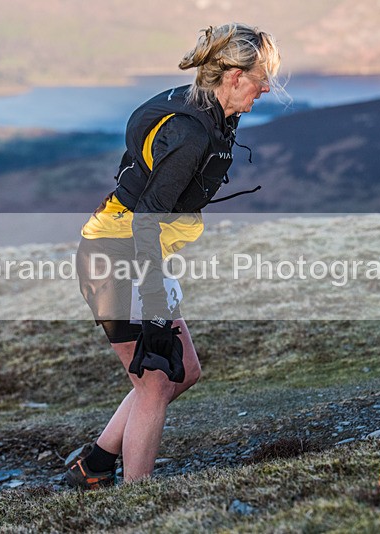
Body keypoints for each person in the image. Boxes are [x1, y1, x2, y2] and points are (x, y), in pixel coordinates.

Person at [65, 22, 283, 489]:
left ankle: (98, 463)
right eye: (261, 76)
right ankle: (136, 497)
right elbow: (147, 218)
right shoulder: (190, 133)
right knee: (156, 380)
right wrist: (158, 309)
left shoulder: (211, 110)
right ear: (232, 77)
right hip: (114, 258)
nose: (266, 87)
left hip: (134, 253)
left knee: (184, 371)